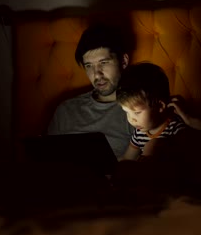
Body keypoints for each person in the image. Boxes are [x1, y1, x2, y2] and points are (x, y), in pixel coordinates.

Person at [47, 24, 134, 158]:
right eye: (89, 66)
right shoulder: (65, 110)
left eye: (103, 63)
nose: (97, 74)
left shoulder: (140, 111)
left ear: (123, 61)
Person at [116, 62, 188, 161]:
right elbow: (127, 159)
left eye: (137, 112)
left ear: (160, 106)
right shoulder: (139, 134)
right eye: (127, 112)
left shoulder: (175, 129)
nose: (131, 119)